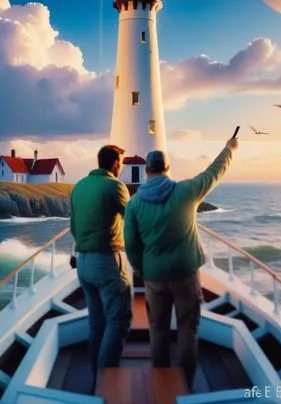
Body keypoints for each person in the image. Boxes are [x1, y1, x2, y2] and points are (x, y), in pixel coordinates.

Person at [124, 136, 238, 389]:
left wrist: (142, 269)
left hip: (153, 276)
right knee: (188, 329)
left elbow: (130, 244)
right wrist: (228, 149)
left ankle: (161, 376)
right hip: (186, 274)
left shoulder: (134, 204)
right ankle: (186, 380)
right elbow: (213, 173)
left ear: (146, 170)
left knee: (158, 328)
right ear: (167, 168)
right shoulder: (186, 191)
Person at [69, 144, 132, 378]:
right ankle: (107, 381)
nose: (122, 166)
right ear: (115, 163)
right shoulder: (115, 186)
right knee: (118, 321)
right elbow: (133, 220)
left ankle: (96, 378)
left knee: (96, 323)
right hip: (106, 262)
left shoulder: (79, 186)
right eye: (121, 162)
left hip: (83, 263)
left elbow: (73, 225)